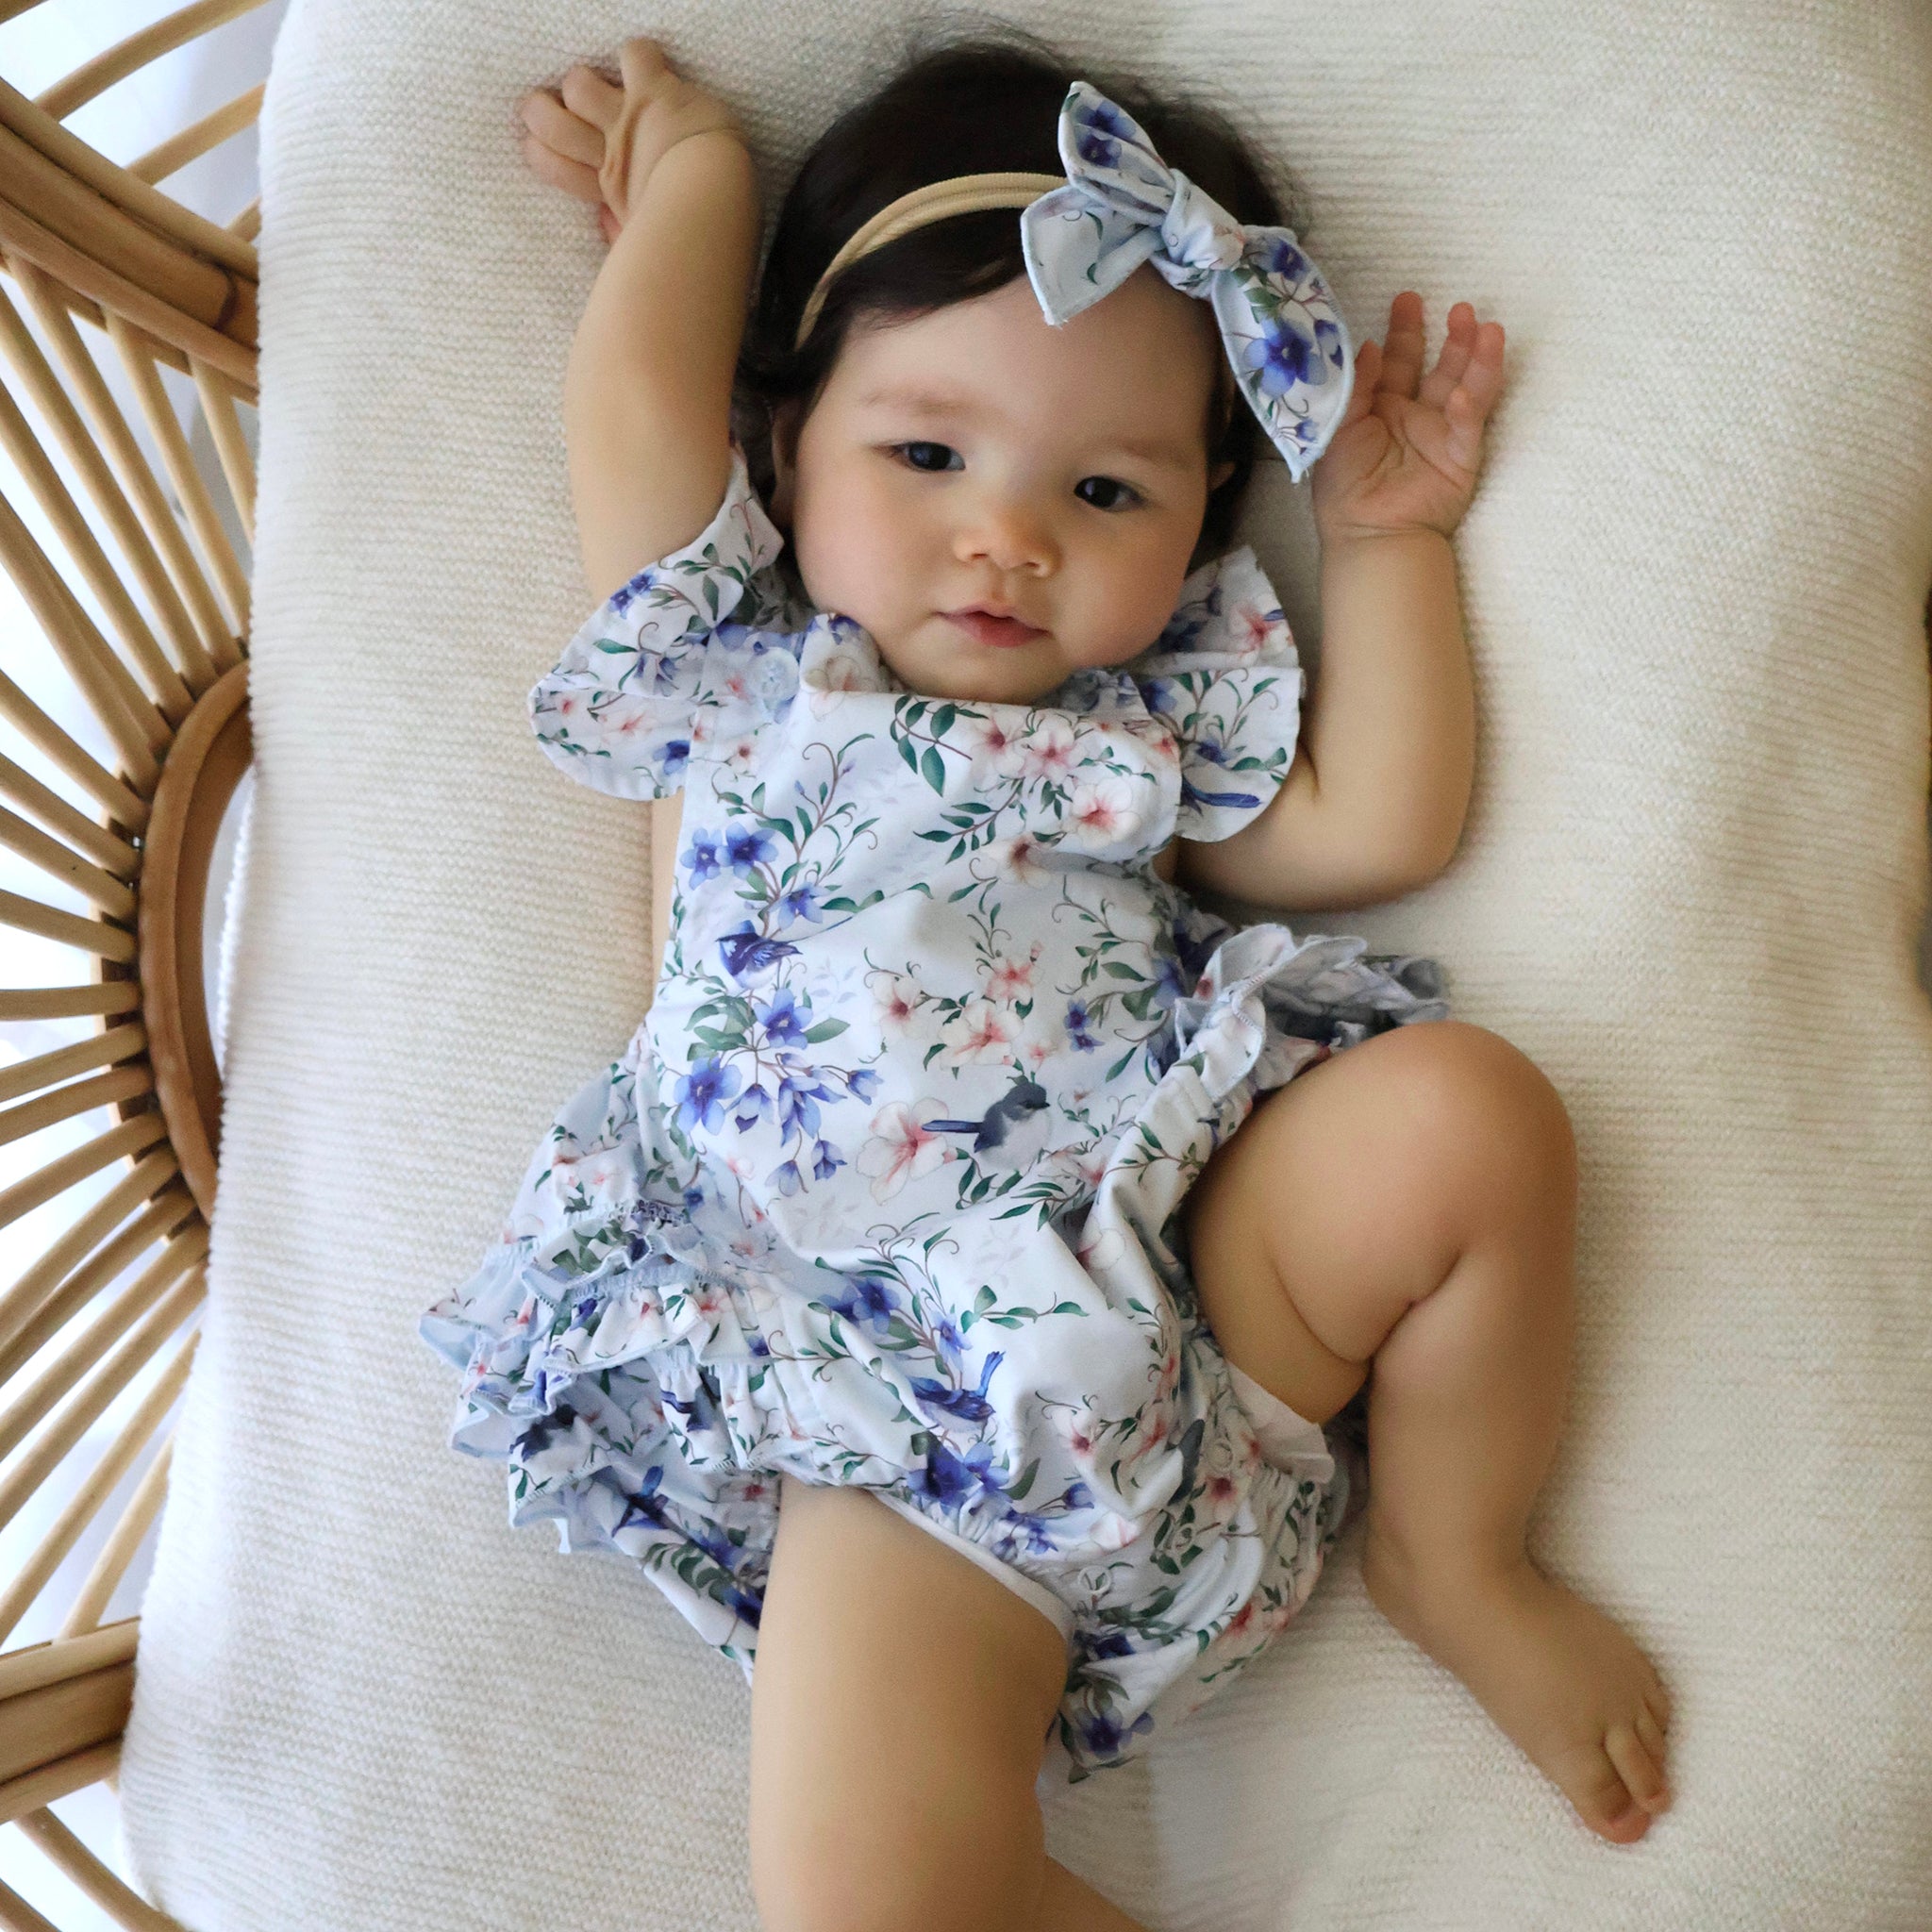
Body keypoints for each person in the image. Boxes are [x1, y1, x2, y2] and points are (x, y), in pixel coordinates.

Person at [419, 31, 1673, 1929]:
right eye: (923, 452)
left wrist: (1384, 537)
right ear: (782, 448)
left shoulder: (1134, 740)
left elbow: (1385, 816)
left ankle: (1457, 1553)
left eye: (1103, 491)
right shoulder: (751, 688)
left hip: (1179, 1299)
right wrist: (694, 182)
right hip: (879, 1412)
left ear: (1191, 534)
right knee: (871, 1900)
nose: (1003, 535)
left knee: (1468, 1116)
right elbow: (635, 405)